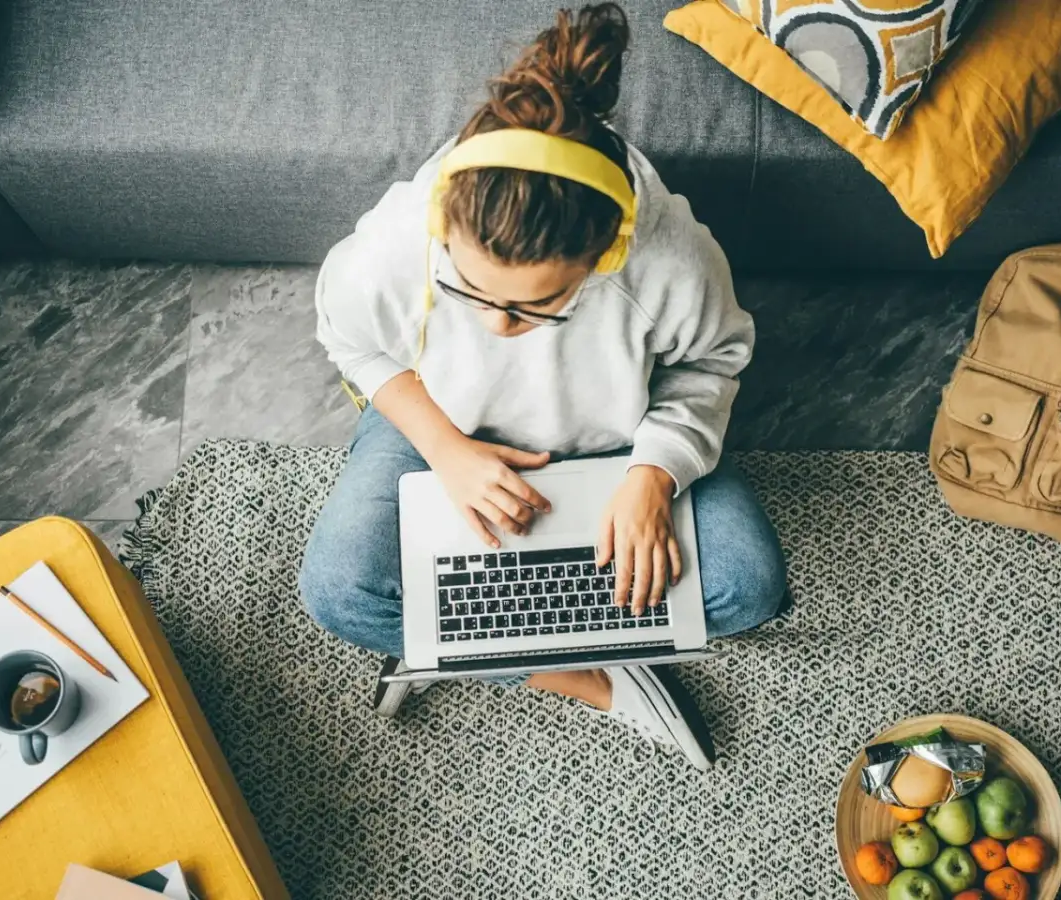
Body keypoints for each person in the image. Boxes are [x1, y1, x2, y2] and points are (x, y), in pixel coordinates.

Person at [300, 3, 786, 771]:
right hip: (443, 424)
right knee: (338, 591)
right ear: (443, 221)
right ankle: (580, 674)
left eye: (535, 307)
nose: (497, 326)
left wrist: (654, 473)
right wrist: (447, 450)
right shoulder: (400, 241)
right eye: (471, 292)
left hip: (622, 434)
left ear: (607, 252)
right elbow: (350, 340)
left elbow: (714, 361)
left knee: (751, 587)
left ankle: (470, 642)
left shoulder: (671, 262)